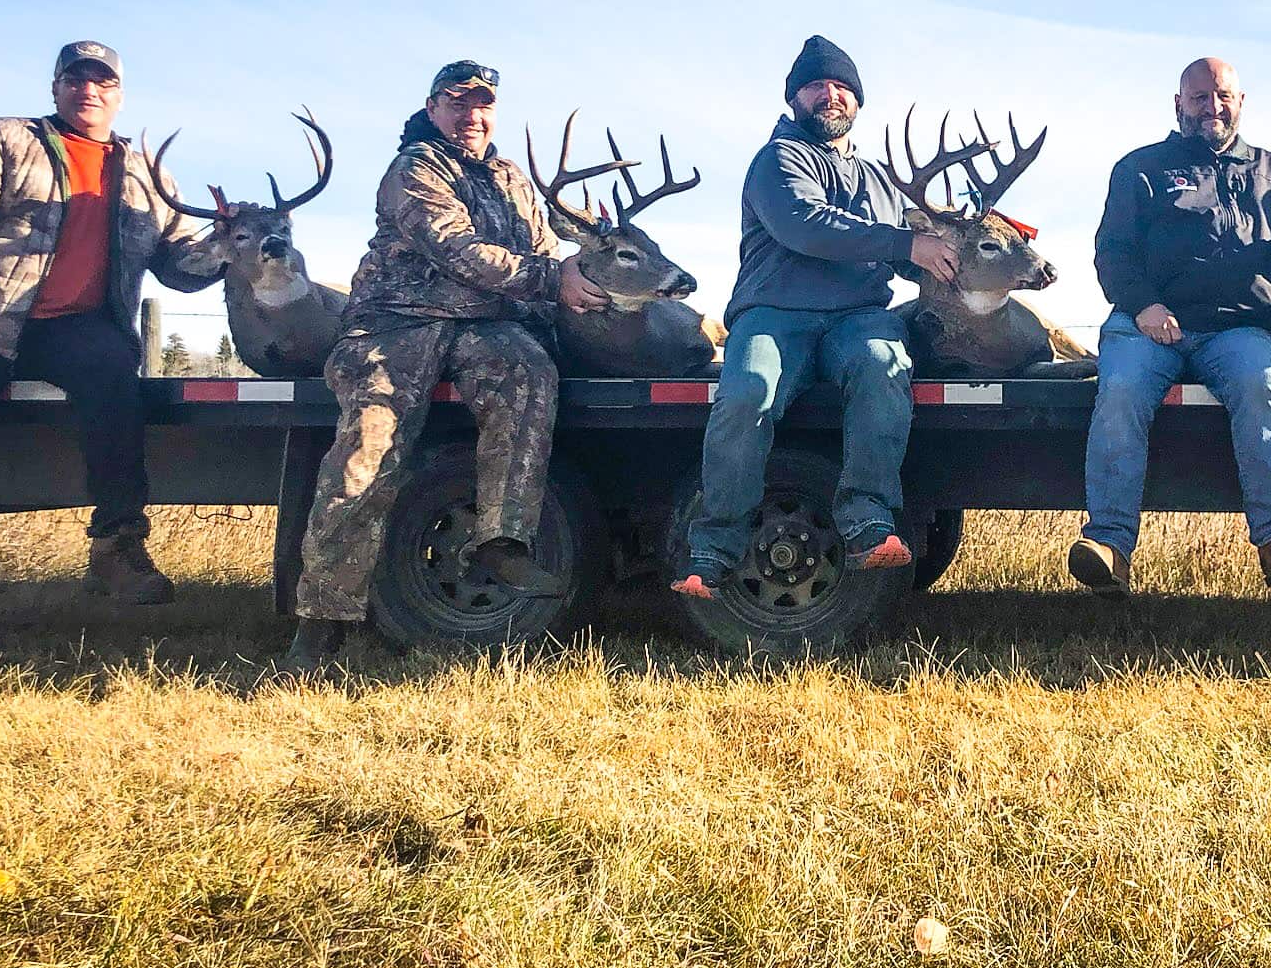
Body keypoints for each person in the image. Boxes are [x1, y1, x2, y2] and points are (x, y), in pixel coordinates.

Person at [284, 61, 606, 670]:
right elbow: (456, 247)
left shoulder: (510, 176)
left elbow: (539, 247)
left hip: (485, 325)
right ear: (433, 109)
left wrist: (583, 273)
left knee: (529, 375)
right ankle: (323, 617)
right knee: (368, 452)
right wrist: (550, 279)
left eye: (483, 104)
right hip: (398, 320)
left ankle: (502, 541)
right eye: (457, 103)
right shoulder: (416, 167)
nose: (471, 115)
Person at [0, 41, 223, 604]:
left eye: (103, 83)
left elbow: (179, 266)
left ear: (119, 97)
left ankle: (116, 551)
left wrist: (232, 243)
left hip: (77, 328)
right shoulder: (4, 139)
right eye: (77, 79)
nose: (90, 91)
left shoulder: (144, 174)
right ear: (56, 87)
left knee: (117, 397)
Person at [672, 35, 958, 598]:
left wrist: (956, 248)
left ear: (857, 101)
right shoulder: (779, 160)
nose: (831, 95)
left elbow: (906, 259)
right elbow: (806, 226)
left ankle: (868, 523)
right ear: (794, 99)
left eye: (842, 87)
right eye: (817, 86)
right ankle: (711, 550)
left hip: (857, 317)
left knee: (884, 366)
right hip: (775, 315)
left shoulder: (879, 179)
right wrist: (906, 242)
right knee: (748, 392)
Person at [1066, 56, 1271, 595]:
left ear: (1240, 102)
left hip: (1237, 329)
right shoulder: (1139, 169)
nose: (1212, 107)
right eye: (1199, 98)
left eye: (1223, 97)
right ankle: (1110, 546)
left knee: (1263, 389)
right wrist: (1143, 306)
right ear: (1178, 104)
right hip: (1147, 325)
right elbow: (1113, 253)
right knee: (1119, 391)